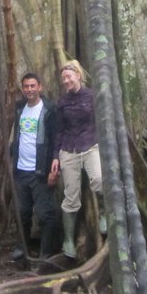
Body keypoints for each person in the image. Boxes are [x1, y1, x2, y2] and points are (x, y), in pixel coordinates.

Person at [53, 59, 105, 258]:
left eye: (69, 76)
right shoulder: (62, 102)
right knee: (70, 196)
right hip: (68, 150)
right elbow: (58, 131)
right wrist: (55, 157)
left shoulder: (92, 96)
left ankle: (104, 214)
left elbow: (101, 121)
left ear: (79, 75)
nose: (66, 81)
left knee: (99, 180)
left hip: (90, 145)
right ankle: (68, 240)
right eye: (63, 78)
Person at [9, 72, 59, 260]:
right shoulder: (19, 108)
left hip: (41, 171)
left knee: (45, 214)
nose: (29, 90)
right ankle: (22, 249)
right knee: (22, 213)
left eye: (33, 86)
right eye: (26, 86)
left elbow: (56, 138)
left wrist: (55, 164)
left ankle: (46, 253)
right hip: (21, 170)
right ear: (22, 89)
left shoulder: (49, 109)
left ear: (40, 87)